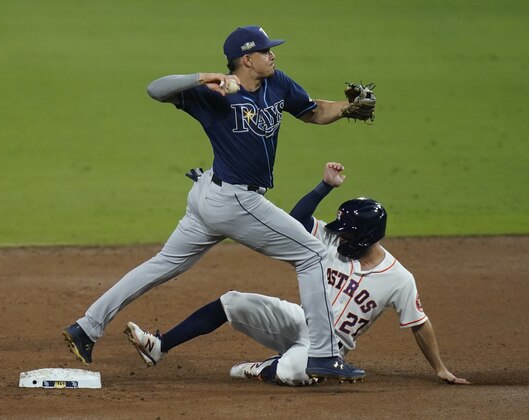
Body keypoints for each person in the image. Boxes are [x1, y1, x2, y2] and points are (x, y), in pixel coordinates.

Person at [62, 25, 367, 380]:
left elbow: (312, 110)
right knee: (312, 254)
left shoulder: (277, 82)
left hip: (214, 194)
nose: (273, 55)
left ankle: (86, 327)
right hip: (234, 200)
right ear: (247, 59)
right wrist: (204, 78)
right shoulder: (213, 95)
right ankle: (323, 353)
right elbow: (155, 89)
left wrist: (346, 108)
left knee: (162, 264)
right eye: (266, 51)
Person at [123, 162, 471, 386]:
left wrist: (439, 368)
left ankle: (267, 368)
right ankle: (159, 346)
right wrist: (324, 186)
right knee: (233, 302)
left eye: (347, 232)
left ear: (366, 236)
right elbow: (298, 219)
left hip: (329, 348)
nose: (339, 235)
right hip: (299, 320)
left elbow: (419, 323)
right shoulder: (332, 243)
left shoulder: (399, 279)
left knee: (294, 371)